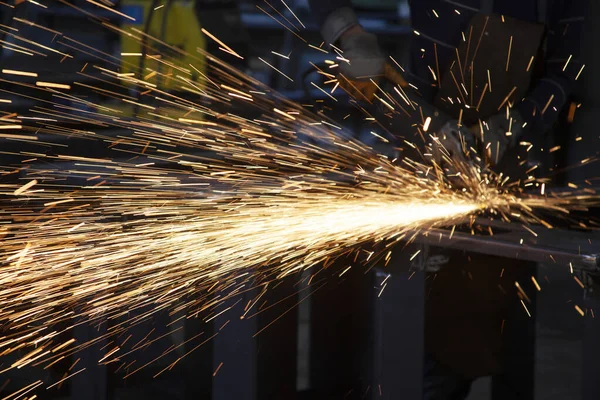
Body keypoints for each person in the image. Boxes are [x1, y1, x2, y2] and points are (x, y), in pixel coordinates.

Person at [307, 1, 587, 399]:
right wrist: (349, 35)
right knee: (411, 336)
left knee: (482, 332)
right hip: (423, 153)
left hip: (506, 172)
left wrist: (519, 121)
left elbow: (567, 68)